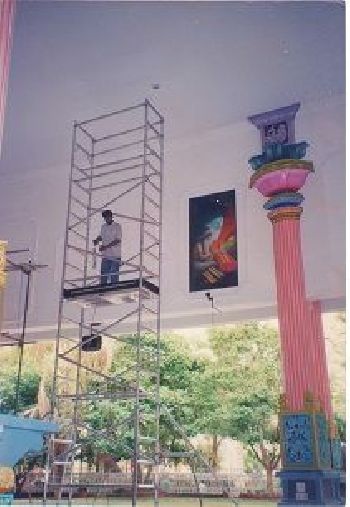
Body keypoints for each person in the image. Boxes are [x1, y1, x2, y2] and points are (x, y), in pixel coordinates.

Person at [93, 210, 122, 285]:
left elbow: (117, 240)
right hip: (105, 255)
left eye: (107, 217)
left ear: (111, 216)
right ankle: (102, 290)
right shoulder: (103, 227)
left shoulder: (117, 226)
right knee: (104, 275)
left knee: (113, 275)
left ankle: (114, 289)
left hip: (115, 255)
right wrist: (97, 240)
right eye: (105, 217)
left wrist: (106, 247)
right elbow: (101, 236)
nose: (106, 219)